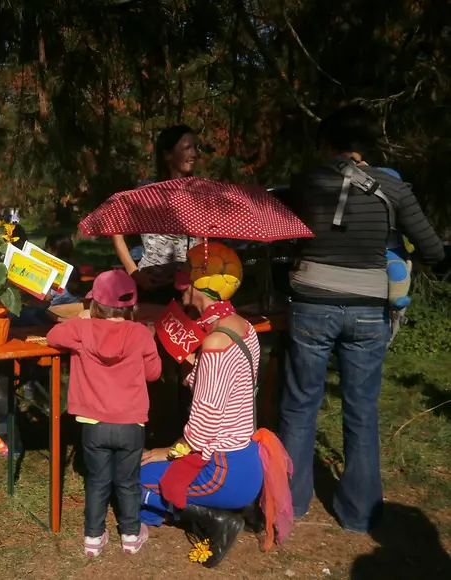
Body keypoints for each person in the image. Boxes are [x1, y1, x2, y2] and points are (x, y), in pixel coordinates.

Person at [279, 105, 444, 533]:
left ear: (327, 143)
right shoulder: (393, 188)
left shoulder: (306, 182)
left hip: (311, 304)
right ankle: (359, 513)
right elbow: (433, 251)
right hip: (369, 311)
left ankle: (290, 504)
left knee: (299, 407)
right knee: (362, 409)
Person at [140, 242, 293, 568]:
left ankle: (215, 519)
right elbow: (226, 388)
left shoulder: (215, 341)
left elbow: (203, 425)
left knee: (130, 479)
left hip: (221, 469)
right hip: (246, 461)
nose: (178, 279)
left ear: (198, 284)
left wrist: (167, 450)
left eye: (184, 273)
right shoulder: (241, 326)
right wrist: (192, 361)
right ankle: (228, 509)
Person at [48, 270, 162, 557]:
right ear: (131, 308)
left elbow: (52, 335)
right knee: (128, 482)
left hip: (94, 423)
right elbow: (153, 374)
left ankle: (93, 538)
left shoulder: (82, 330)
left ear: (95, 306)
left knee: (97, 481)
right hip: (131, 424)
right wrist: (150, 341)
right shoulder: (139, 333)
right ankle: (131, 535)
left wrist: (83, 319)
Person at [112, 125, 200, 303]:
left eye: (195, 147)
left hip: (188, 287)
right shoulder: (148, 191)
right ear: (168, 155)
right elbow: (116, 230)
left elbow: (201, 238)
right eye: (186, 148)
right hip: (152, 287)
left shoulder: (198, 191)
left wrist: (195, 272)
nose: (194, 154)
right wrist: (134, 273)